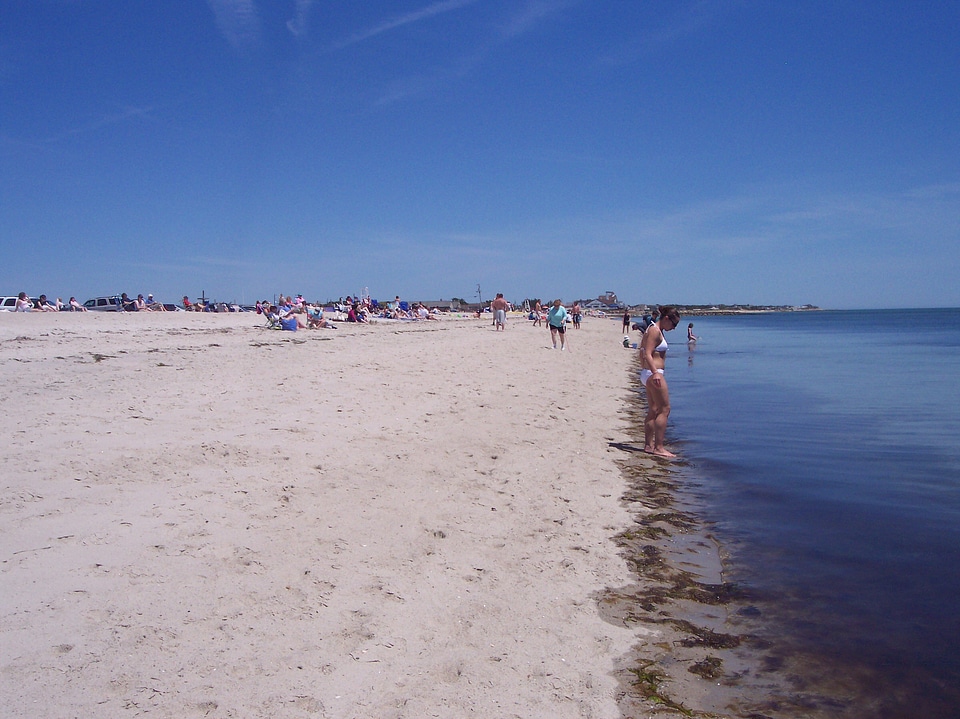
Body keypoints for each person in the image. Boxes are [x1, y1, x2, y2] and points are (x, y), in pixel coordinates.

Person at [640, 305, 681, 458]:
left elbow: (641, 351)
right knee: (665, 409)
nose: (674, 328)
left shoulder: (653, 329)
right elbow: (648, 354)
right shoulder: (654, 331)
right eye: (674, 324)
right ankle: (659, 447)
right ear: (666, 319)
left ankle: (648, 445)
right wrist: (655, 373)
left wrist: (645, 371)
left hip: (648, 374)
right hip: (653, 374)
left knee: (654, 409)